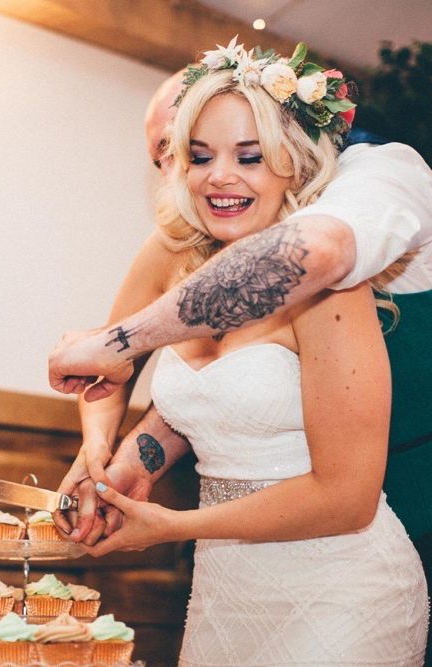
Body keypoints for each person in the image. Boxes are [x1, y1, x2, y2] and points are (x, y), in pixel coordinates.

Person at [57, 40, 430, 664]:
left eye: (249, 157)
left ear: (295, 164)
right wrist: (103, 460)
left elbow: (346, 499)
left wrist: (170, 527)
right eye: (195, 156)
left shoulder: (331, 284)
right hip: (227, 588)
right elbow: (114, 372)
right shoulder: (171, 252)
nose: (218, 176)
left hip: (341, 590)